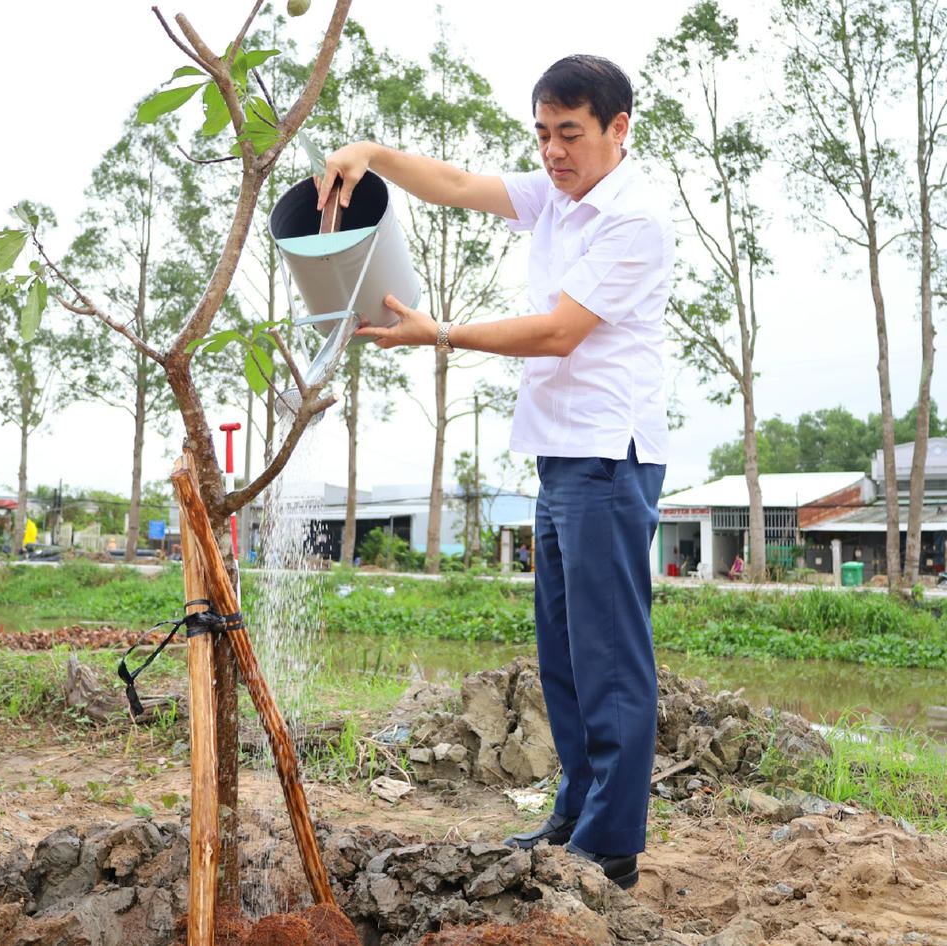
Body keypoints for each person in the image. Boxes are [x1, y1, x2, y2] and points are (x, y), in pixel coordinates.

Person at [318, 55, 673, 890]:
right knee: (564, 655)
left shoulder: (635, 220)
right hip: (558, 454)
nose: (552, 152)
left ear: (619, 129)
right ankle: (575, 812)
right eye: (543, 134)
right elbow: (455, 182)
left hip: (607, 455)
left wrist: (439, 333)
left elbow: (557, 333)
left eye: (570, 135)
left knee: (611, 657)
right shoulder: (556, 192)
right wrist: (370, 152)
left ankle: (611, 846)